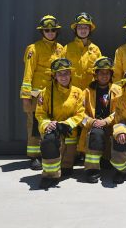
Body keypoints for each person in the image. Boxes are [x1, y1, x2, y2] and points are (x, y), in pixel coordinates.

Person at [20, 15, 65, 170]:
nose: (50, 32)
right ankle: (34, 157)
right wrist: (26, 96)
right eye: (47, 30)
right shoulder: (34, 48)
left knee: (51, 125)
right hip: (36, 95)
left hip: (53, 94)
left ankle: (50, 153)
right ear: (42, 31)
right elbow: (28, 74)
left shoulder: (60, 49)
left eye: (53, 30)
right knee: (34, 125)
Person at [35, 58, 85, 189]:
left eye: (66, 73)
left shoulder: (78, 92)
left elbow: (81, 113)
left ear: (71, 74)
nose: (63, 77)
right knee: (49, 141)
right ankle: (49, 176)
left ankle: (65, 165)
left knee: (67, 170)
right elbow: (40, 114)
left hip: (70, 132)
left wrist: (67, 124)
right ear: (54, 76)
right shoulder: (46, 92)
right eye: (60, 74)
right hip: (53, 129)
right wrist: (47, 124)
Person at [78, 56, 121, 184]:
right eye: (101, 72)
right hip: (94, 127)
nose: (104, 75)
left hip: (111, 125)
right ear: (95, 74)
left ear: (111, 74)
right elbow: (80, 113)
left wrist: (106, 121)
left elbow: (120, 111)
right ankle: (92, 171)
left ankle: (113, 163)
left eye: (107, 73)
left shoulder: (117, 90)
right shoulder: (86, 92)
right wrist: (92, 122)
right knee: (96, 133)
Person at [64, 12, 102, 90]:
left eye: (86, 27)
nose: (83, 30)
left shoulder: (96, 49)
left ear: (90, 30)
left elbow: (100, 72)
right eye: (80, 27)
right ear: (75, 30)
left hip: (90, 92)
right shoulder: (67, 48)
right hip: (71, 93)